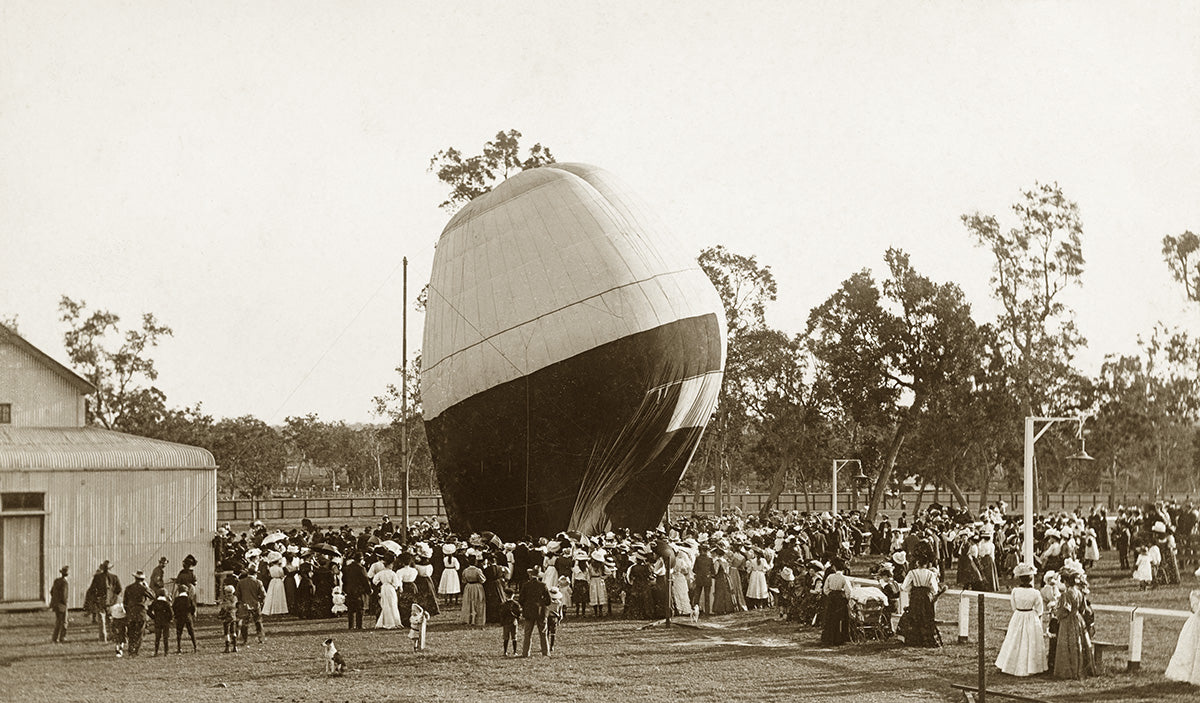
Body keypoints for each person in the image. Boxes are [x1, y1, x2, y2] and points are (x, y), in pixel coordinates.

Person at [994, 563, 1046, 676]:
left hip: (1018, 615)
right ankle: (1031, 667)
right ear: (1031, 578)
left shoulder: (1015, 591)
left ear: (1020, 579)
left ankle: (1010, 664)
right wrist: (1033, 614)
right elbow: (1039, 610)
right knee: (1030, 641)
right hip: (1031, 616)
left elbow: (1013, 606)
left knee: (1014, 639)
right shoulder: (1035, 593)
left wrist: (1020, 611)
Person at [1053, 569, 1095, 679]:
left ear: (1067, 582)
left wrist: (1057, 613)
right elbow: (1083, 609)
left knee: (1067, 644)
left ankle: (1068, 671)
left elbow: (1065, 610)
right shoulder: (1080, 593)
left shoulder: (1066, 595)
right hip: (1078, 619)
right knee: (1078, 642)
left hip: (1068, 621)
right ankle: (1079, 668)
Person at [897, 553, 943, 648]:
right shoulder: (930, 573)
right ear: (926, 564)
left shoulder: (912, 573)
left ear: (917, 563)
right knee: (926, 617)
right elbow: (935, 589)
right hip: (926, 596)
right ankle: (927, 639)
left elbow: (903, 587)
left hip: (915, 596)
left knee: (914, 616)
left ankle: (914, 640)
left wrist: (910, 589)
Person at [1165, 589, 1200, 685]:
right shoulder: (1196, 595)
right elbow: (1195, 610)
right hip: (1196, 624)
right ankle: (1188, 674)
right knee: (1190, 648)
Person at [84, 560, 121, 642]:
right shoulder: (114, 577)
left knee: (101, 620)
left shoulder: (97, 577)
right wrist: (113, 597)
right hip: (111, 602)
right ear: (110, 568)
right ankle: (112, 636)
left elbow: (92, 589)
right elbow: (119, 589)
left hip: (100, 600)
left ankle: (103, 638)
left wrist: (95, 598)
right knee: (110, 620)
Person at [518, 567, 551, 657]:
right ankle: (546, 652)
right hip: (540, 611)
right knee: (543, 632)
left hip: (529, 610)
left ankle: (526, 652)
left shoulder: (526, 585)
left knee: (528, 633)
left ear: (530, 575)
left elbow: (521, 599)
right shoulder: (543, 585)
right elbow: (548, 601)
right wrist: (542, 603)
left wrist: (526, 605)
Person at [820, 558, 853, 646]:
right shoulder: (844, 578)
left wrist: (830, 594)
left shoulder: (830, 577)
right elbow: (849, 591)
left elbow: (825, 589)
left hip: (831, 598)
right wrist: (846, 597)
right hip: (840, 598)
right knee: (840, 618)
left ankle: (829, 638)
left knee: (830, 617)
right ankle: (839, 638)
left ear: (834, 567)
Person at [123, 570, 153, 656]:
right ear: (143, 579)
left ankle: (130, 650)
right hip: (141, 612)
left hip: (131, 612)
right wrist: (147, 587)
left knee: (131, 632)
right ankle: (136, 651)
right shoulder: (143, 588)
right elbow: (153, 596)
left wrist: (128, 611)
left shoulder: (128, 588)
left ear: (135, 578)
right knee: (139, 632)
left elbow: (125, 602)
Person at [235, 567, 267, 645]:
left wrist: (240, 602)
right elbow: (263, 594)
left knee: (245, 623)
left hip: (244, 605)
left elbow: (237, 594)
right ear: (255, 574)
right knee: (258, 622)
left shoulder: (241, 582)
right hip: (255, 604)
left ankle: (244, 639)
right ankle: (261, 638)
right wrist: (261, 601)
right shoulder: (258, 582)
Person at [341, 553, 371, 630]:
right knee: (360, 608)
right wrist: (369, 590)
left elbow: (343, 579)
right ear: (361, 559)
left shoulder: (347, 568)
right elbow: (365, 580)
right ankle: (359, 625)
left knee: (350, 609)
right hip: (359, 590)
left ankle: (351, 625)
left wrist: (345, 589)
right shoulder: (361, 569)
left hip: (349, 590)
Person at [374, 556, 403, 629]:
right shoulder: (392, 573)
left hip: (383, 588)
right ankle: (393, 622)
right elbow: (396, 583)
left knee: (385, 604)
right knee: (392, 604)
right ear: (389, 565)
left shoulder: (380, 573)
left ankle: (385, 622)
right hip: (390, 588)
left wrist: (381, 583)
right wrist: (394, 586)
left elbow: (374, 580)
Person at [460, 557, 487, 626]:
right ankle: (477, 620)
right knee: (478, 602)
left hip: (468, 587)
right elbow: (483, 580)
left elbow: (463, 580)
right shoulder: (478, 570)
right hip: (477, 587)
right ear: (475, 562)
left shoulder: (465, 570)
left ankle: (468, 619)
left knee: (468, 602)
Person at [172, 583, 197, 653]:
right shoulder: (189, 599)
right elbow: (193, 607)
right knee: (191, 632)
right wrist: (191, 614)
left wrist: (176, 615)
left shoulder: (177, 599)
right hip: (188, 616)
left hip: (180, 617)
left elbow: (174, 607)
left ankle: (179, 648)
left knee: (179, 633)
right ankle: (195, 646)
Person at [50, 565, 69, 643]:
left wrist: (55, 599)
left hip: (55, 603)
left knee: (58, 621)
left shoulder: (56, 581)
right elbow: (64, 595)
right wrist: (65, 603)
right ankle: (62, 637)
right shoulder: (65, 583)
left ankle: (55, 637)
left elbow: (51, 591)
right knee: (64, 621)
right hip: (62, 605)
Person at [500, 588, 522, 656]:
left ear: (506, 595)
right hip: (514, 621)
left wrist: (502, 622)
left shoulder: (503, 605)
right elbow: (519, 613)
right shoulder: (516, 604)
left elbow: (502, 614)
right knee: (514, 637)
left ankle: (505, 652)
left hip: (506, 622)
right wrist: (518, 619)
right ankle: (515, 652)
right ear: (513, 595)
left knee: (506, 638)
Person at [218, 584, 238, 653]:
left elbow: (223, 607)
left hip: (226, 616)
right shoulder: (235, 598)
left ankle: (227, 648)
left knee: (226, 632)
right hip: (233, 616)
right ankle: (235, 646)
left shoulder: (225, 599)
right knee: (233, 632)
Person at [547, 585, 565, 652]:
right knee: (553, 633)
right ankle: (552, 646)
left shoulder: (547, 602)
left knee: (547, 632)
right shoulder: (559, 603)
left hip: (548, 617)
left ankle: (547, 645)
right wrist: (559, 621)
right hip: (554, 618)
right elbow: (560, 614)